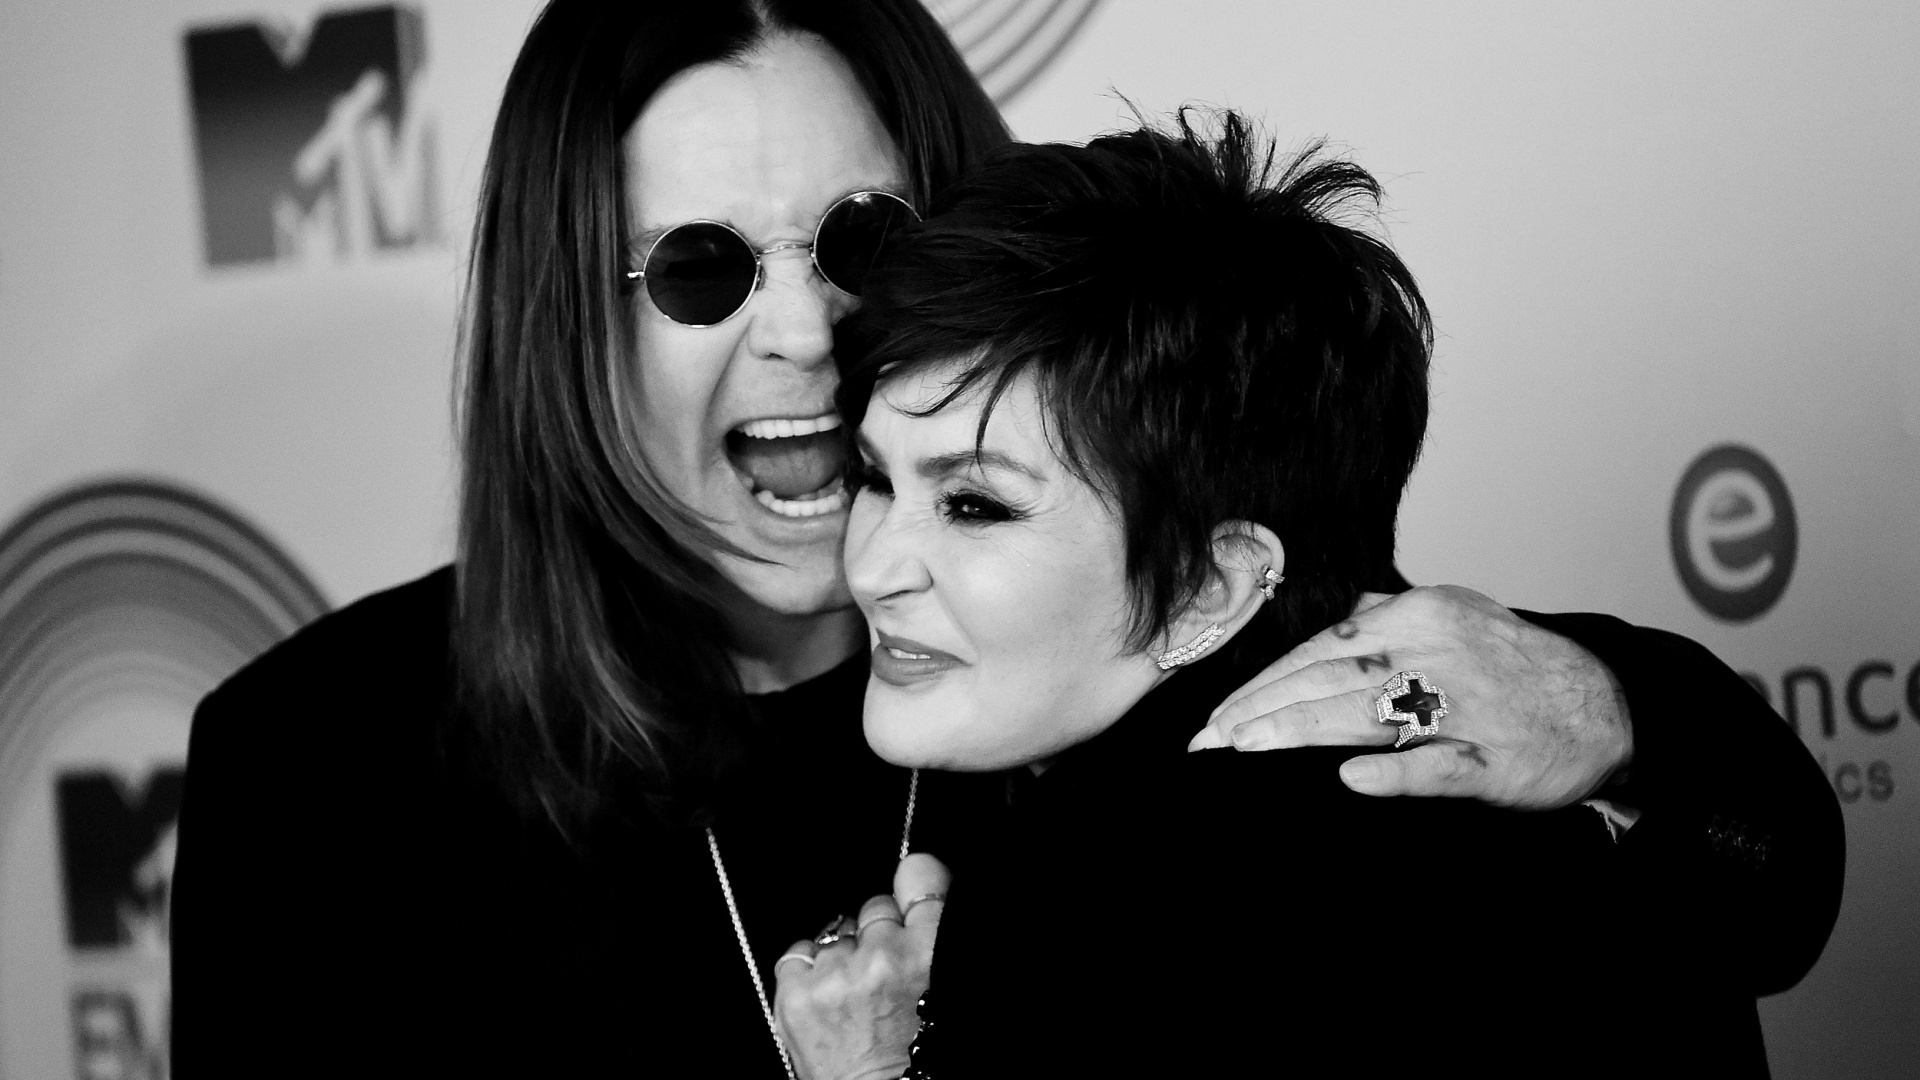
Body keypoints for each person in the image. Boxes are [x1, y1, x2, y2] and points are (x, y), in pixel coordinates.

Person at [168, 3, 1839, 1076]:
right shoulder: (315, 761)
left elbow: (1734, 894)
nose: (807, 333)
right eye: (697, 269)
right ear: (564, 320)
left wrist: (1617, 712)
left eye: (861, 239)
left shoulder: (1162, 659)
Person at [772, 112, 1843, 1079]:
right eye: (875, 478)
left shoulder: (1089, 908)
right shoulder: (1530, 784)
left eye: (974, 505)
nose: (870, 566)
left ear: (1214, 586)